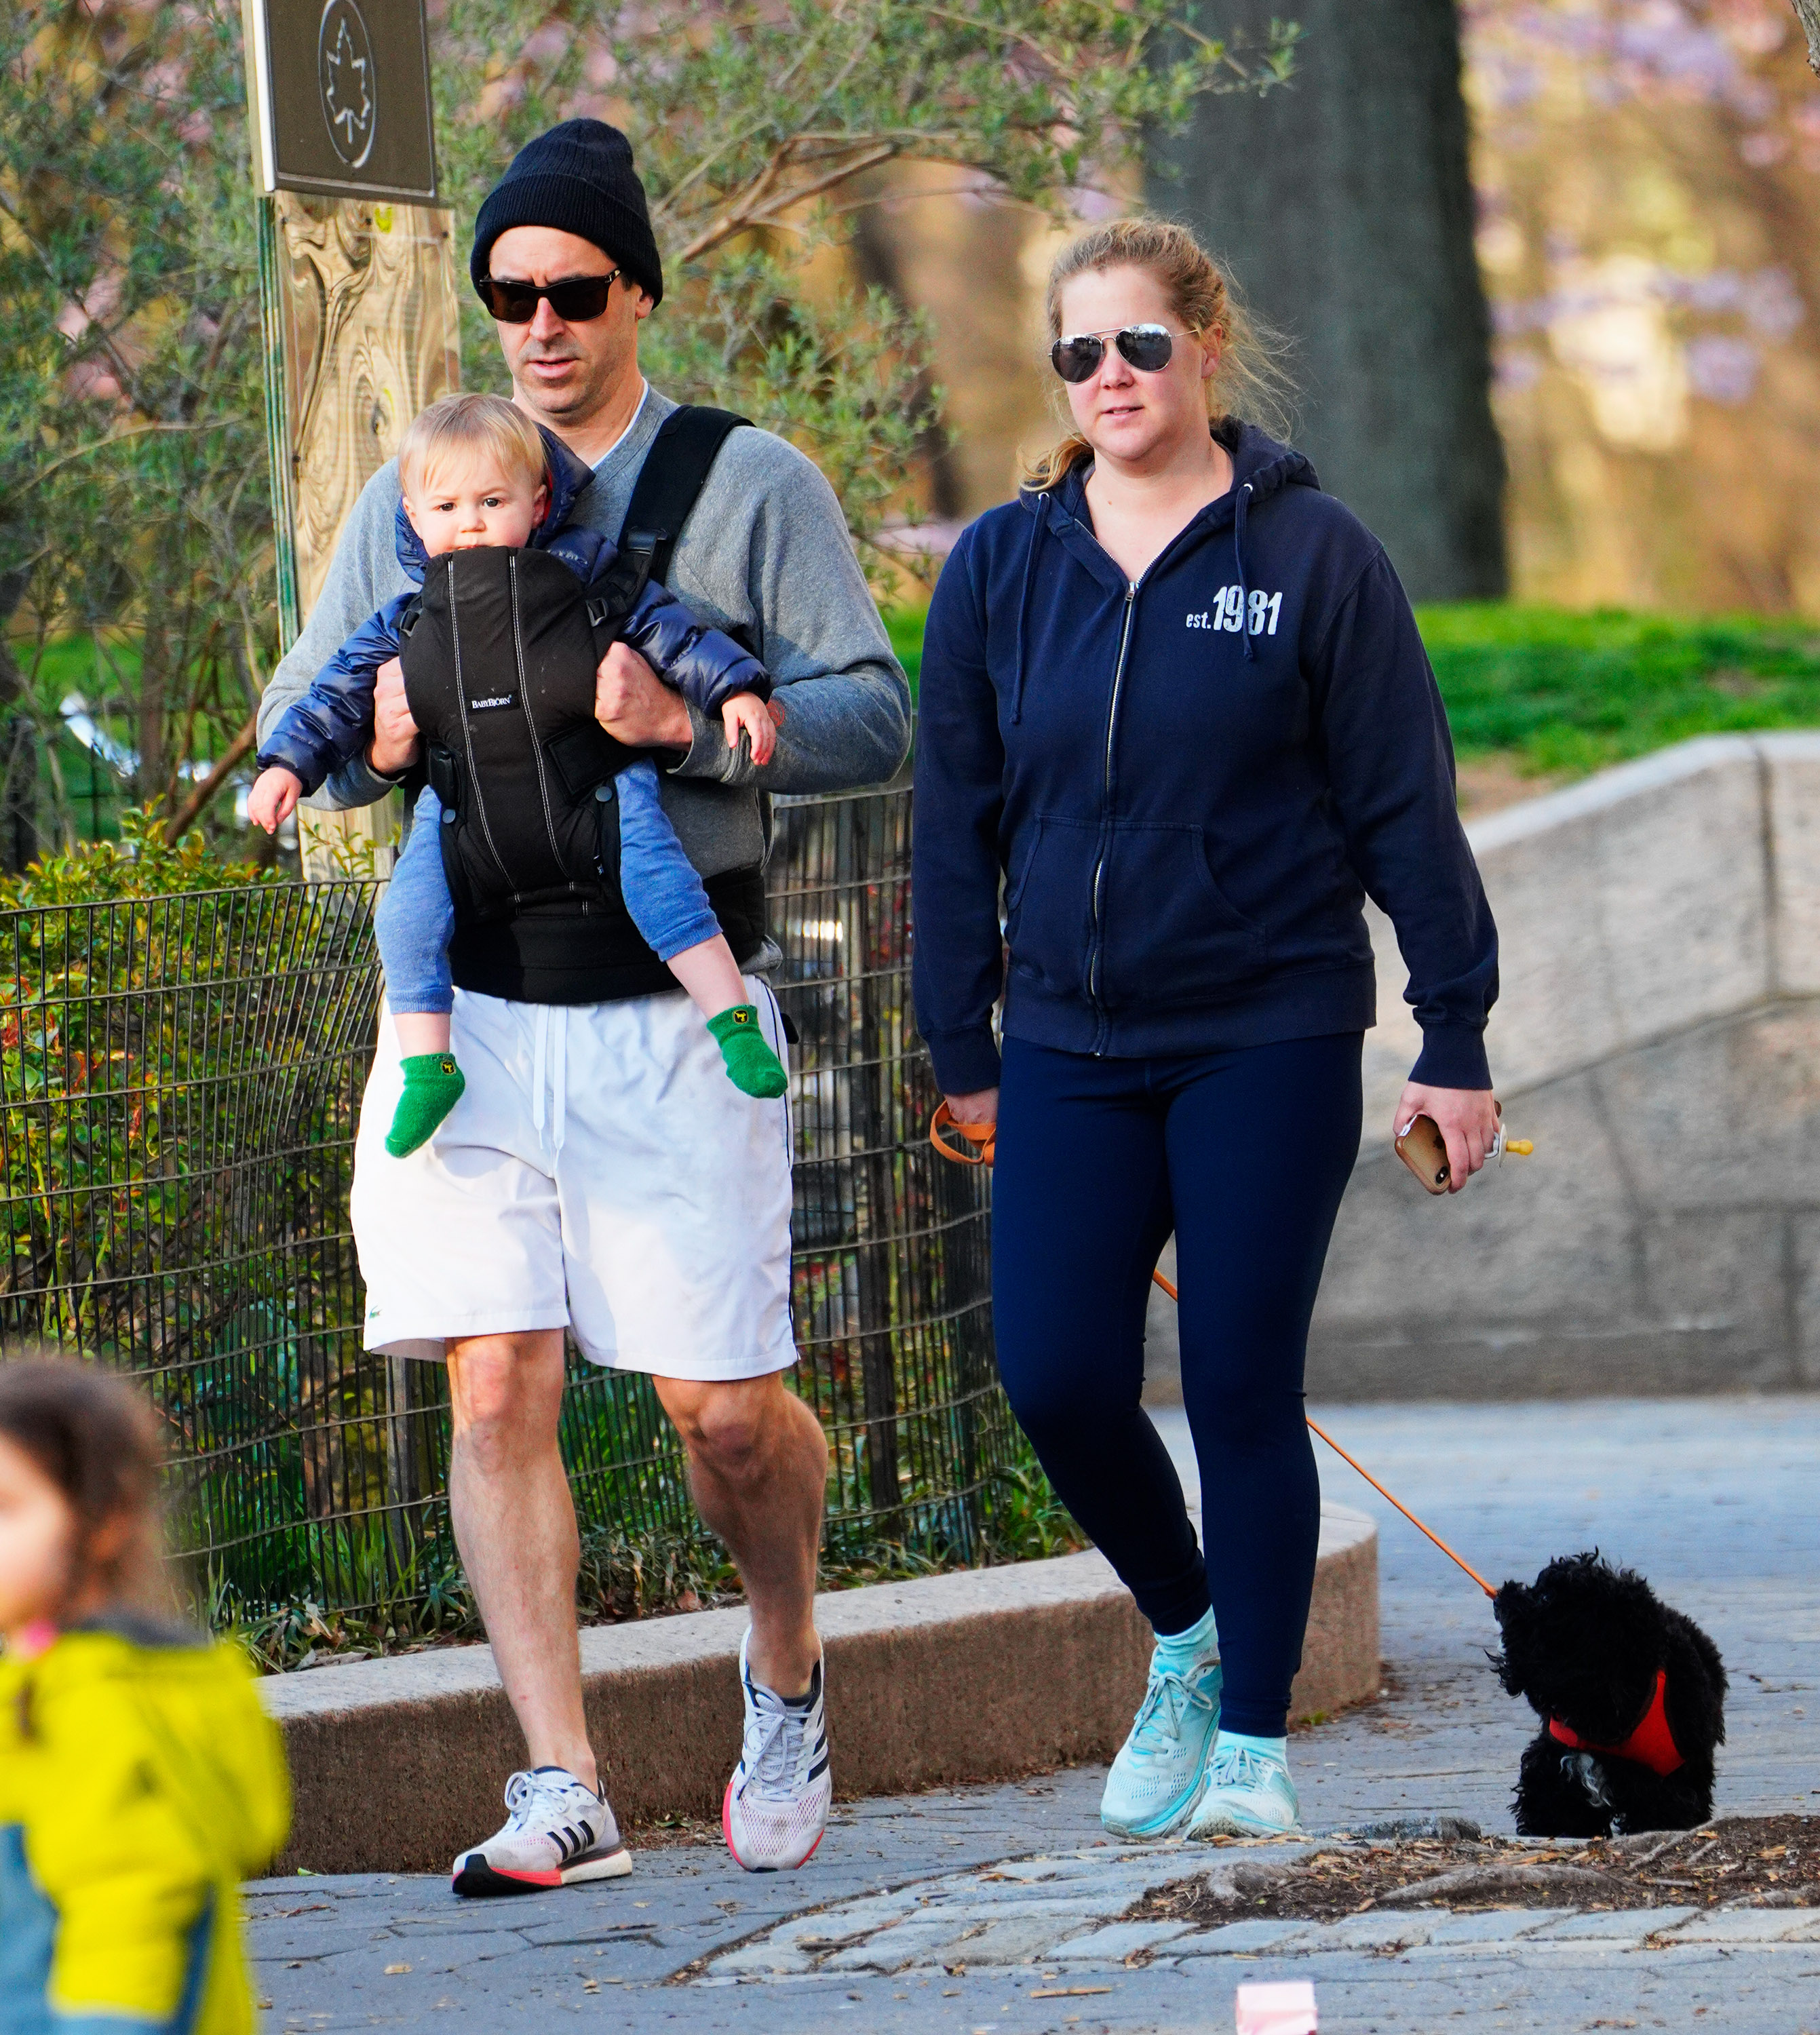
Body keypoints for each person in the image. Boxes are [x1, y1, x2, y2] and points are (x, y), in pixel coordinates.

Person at [256, 119, 909, 1892]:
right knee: (492, 1386)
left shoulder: (743, 483)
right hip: (472, 1011)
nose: (536, 324)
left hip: (668, 1008)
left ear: (638, 290)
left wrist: (679, 721)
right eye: (507, 294)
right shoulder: (431, 480)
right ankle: (564, 1783)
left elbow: (872, 718)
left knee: (719, 1414)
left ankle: (784, 1675)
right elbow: (307, 717)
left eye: (571, 290)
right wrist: (357, 755)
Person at [910, 216, 1499, 1841]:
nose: (1109, 376)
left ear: (1205, 349)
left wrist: (1454, 1033)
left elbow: (1402, 810)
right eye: (1077, 352)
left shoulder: (1314, 558)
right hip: (1066, 1046)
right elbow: (950, 822)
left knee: (1241, 1377)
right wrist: (959, 1044)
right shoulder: (1003, 566)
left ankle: (1251, 1744)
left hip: (1269, 1030)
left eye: (1139, 345)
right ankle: (1183, 1631)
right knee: (1055, 1369)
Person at [249, 391, 788, 1159]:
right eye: (445, 506)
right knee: (404, 917)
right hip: (464, 806)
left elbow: (670, 630)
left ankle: (732, 1026)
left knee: (664, 884)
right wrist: (287, 768)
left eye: (491, 501)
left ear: (537, 505)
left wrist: (732, 690)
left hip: (595, 788)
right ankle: (428, 1065)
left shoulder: (583, 573)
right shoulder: (404, 616)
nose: (468, 522)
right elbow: (331, 697)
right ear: (411, 515)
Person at [0, 1359, 291, 2030]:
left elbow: (127, 1903)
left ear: (104, 1521)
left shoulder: (95, 1702)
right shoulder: (45, 1678)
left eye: (7, 1508)